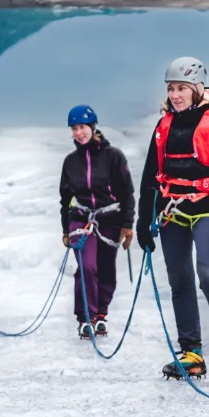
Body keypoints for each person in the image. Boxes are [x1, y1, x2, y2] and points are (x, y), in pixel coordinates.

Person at [136, 56, 209, 380]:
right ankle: (191, 353)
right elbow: (149, 178)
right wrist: (144, 222)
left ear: (197, 89)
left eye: (181, 88)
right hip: (173, 211)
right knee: (179, 279)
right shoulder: (164, 126)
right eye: (171, 88)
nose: (175, 95)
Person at [59, 104, 136, 339]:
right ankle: (85, 317)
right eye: (74, 128)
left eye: (82, 127)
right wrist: (65, 229)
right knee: (87, 267)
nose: (78, 133)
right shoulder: (70, 161)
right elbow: (65, 199)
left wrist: (127, 225)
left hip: (109, 221)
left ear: (93, 127)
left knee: (106, 270)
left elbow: (127, 193)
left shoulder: (113, 157)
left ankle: (101, 313)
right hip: (81, 221)